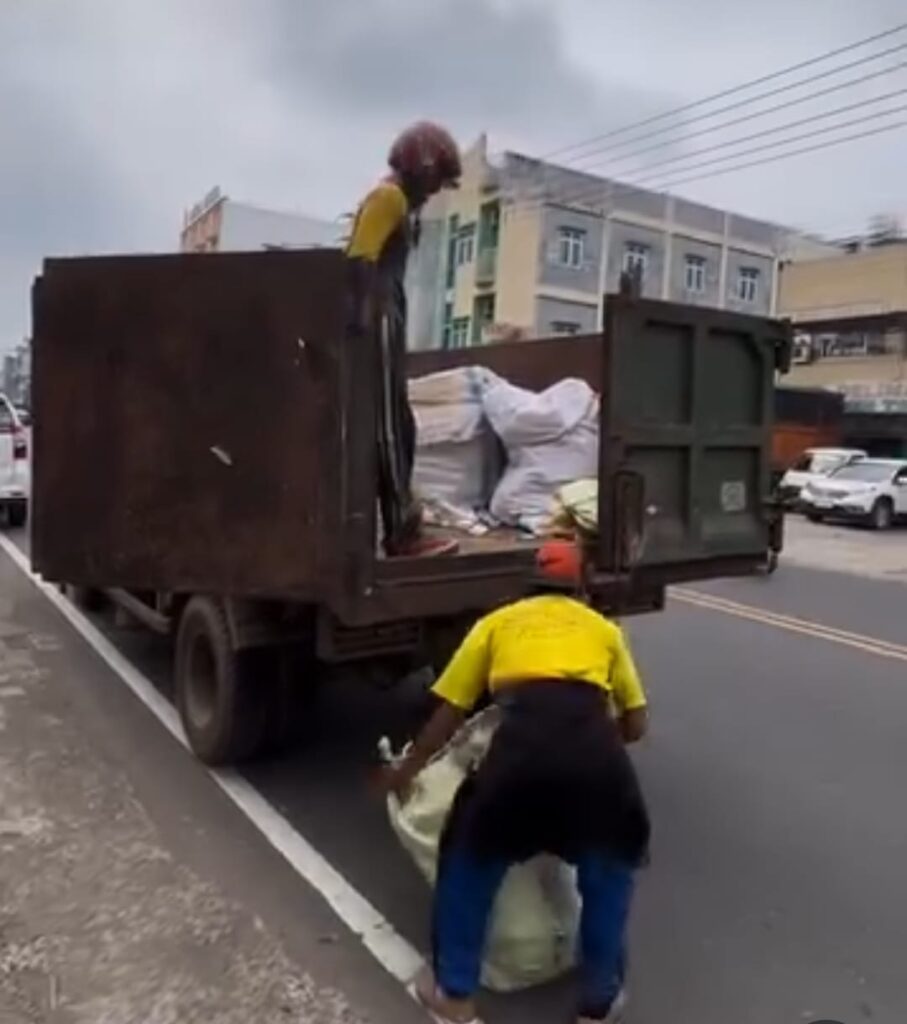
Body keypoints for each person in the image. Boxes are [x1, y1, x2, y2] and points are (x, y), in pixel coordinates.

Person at [382, 539, 650, 1024]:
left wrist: (404, 771)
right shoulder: (603, 630)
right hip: (598, 764)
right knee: (608, 874)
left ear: (527, 586)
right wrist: (587, 745)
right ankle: (597, 1004)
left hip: (518, 763)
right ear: (581, 588)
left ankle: (455, 995)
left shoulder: (497, 623)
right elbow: (636, 724)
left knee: (467, 862)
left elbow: (451, 710)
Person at [346, 121, 462, 557]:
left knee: (400, 424)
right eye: (434, 181)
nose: (433, 192)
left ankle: (401, 523)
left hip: (386, 315)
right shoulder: (388, 197)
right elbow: (359, 259)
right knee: (389, 428)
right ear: (420, 166)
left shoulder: (400, 204)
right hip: (376, 316)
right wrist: (360, 324)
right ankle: (401, 534)